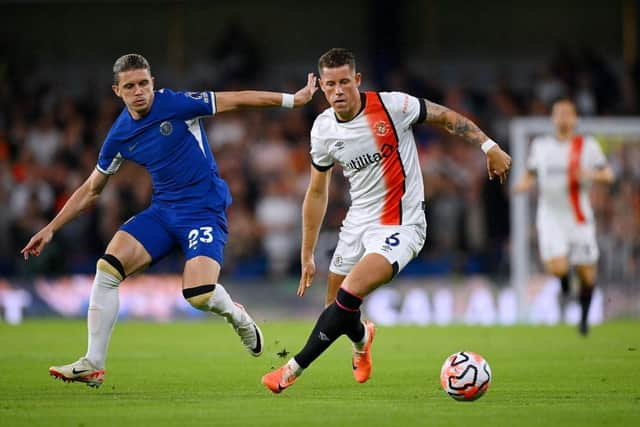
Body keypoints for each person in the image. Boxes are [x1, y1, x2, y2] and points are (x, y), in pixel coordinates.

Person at [21, 53, 318, 388]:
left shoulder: (176, 104)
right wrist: (50, 228)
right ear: (117, 91)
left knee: (199, 294)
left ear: (153, 83)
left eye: (144, 83)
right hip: (163, 212)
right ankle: (93, 362)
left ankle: (237, 316)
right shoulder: (119, 135)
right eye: (130, 86)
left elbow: (235, 100)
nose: (139, 91)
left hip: (204, 210)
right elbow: (92, 190)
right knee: (107, 269)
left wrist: (292, 100)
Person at [261, 48, 511, 393]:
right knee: (335, 310)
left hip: (401, 225)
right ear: (320, 85)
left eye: (345, 82)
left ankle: (290, 370)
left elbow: (445, 117)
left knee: (349, 295)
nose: (338, 91)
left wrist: (489, 146)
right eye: (330, 84)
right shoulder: (321, 130)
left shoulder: (394, 106)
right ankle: (363, 339)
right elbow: (317, 192)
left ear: (357, 81)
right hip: (357, 223)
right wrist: (307, 251)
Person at [513, 98, 614, 335]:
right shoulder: (541, 146)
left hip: (579, 216)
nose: (563, 117)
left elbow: (608, 175)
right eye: (559, 113)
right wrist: (522, 186)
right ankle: (565, 284)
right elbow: (530, 173)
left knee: (587, 274)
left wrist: (589, 174)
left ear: (576, 118)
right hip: (550, 216)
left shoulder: (587, 146)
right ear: (552, 118)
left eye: (568, 113)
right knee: (558, 267)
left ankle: (584, 321)